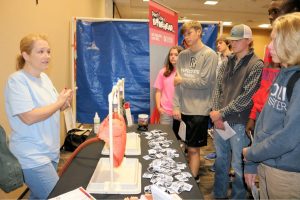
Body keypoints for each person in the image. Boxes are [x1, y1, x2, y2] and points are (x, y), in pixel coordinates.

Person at [4, 33, 73, 199]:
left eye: (48, 51)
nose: (47, 56)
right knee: (57, 196)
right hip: (31, 154)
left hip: (49, 150)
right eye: (41, 51)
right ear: (26, 55)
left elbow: (51, 108)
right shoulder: (17, 81)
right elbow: (28, 117)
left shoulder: (44, 79)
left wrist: (63, 103)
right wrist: (58, 103)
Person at [243, 12, 300, 199]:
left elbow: (289, 137)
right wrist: (252, 162)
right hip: (267, 164)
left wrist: (251, 154)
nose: (268, 46)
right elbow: (263, 122)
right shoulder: (282, 74)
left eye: (275, 40)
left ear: (291, 43)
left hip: (287, 173)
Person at [210, 24, 264, 199]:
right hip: (221, 121)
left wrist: (221, 113)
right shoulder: (227, 62)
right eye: (231, 39)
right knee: (221, 161)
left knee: (238, 165)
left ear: (248, 41)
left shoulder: (256, 65)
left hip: (239, 123)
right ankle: (219, 194)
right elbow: (218, 88)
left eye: (237, 40)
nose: (232, 43)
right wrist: (216, 112)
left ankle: (238, 197)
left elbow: (247, 97)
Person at [173, 20, 218, 182]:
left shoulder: (209, 55)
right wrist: (176, 106)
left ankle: (194, 180)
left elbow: (204, 82)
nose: (187, 37)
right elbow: (176, 84)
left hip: (199, 111)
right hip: (182, 111)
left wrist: (182, 80)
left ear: (199, 32)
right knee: (184, 147)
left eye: (190, 33)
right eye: (185, 34)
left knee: (193, 149)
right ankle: (188, 178)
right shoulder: (183, 55)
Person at [153, 46, 183, 138]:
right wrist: (158, 107)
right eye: (171, 54)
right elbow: (158, 91)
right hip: (165, 112)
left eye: (176, 55)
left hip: (181, 112)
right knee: (165, 138)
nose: (173, 57)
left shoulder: (185, 73)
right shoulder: (163, 72)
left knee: (180, 139)